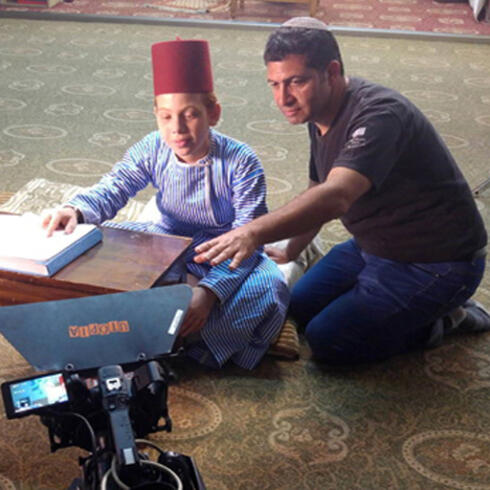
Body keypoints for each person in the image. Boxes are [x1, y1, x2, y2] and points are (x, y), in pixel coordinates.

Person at [194, 17, 489, 365]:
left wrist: (252, 233)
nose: (283, 98)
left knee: (329, 341)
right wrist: (291, 249)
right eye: (274, 84)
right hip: (373, 244)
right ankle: (405, 308)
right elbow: (318, 186)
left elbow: (336, 196)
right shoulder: (318, 110)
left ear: (331, 72)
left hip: (436, 262)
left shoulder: (379, 116)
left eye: (296, 82)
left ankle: (445, 319)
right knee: (297, 305)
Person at [42, 39, 290, 370]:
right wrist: (75, 210)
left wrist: (209, 293)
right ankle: (170, 328)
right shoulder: (152, 147)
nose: (177, 129)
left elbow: (249, 237)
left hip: (224, 250)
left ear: (213, 113)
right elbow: (115, 186)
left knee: (268, 286)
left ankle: (179, 340)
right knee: (97, 242)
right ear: (156, 117)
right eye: (166, 117)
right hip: (165, 240)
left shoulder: (242, 161)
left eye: (191, 115)